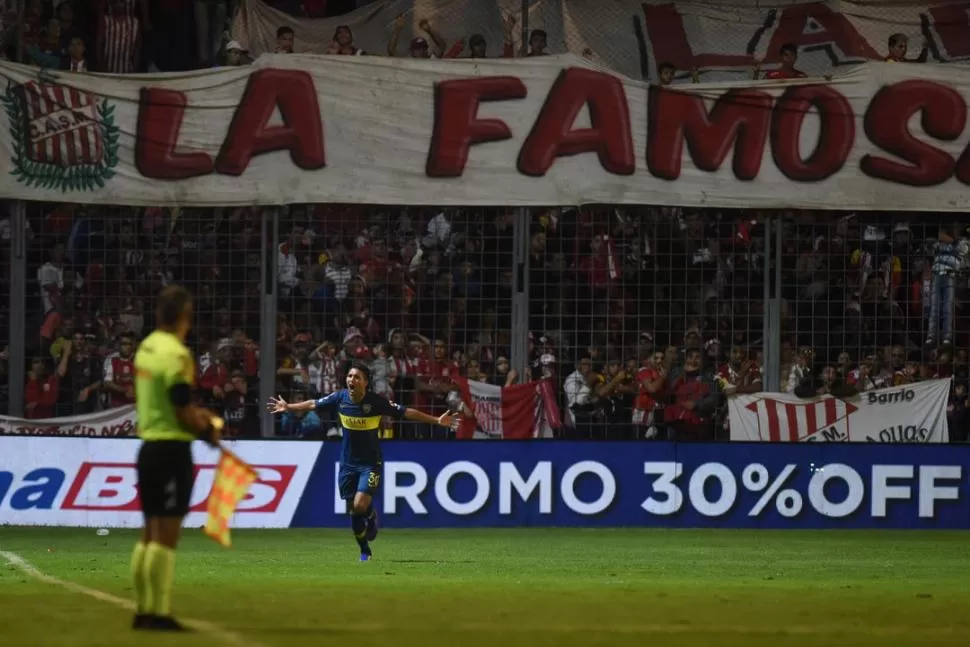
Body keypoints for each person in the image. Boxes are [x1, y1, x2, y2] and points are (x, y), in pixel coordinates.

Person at [267, 362, 456, 561]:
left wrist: (436, 420)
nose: (352, 380)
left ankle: (368, 526)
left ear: (366, 382)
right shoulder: (340, 397)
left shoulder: (376, 402)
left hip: (370, 463)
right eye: (349, 376)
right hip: (348, 463)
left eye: (357, 377)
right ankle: (365, 547)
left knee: (359, 504)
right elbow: (314, 403)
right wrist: (288, 407)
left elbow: (406, 412)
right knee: (354, 508)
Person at [130, 285, 224, 631]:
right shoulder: (178, 355)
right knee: (167, 534)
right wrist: (207, 431)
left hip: (148, 446)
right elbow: (181, 407)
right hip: (172, 450)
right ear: (185, 316)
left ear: (158, 314)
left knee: (149, 531)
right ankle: (160, 612)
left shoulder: (146, 348)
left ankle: (143, 610)